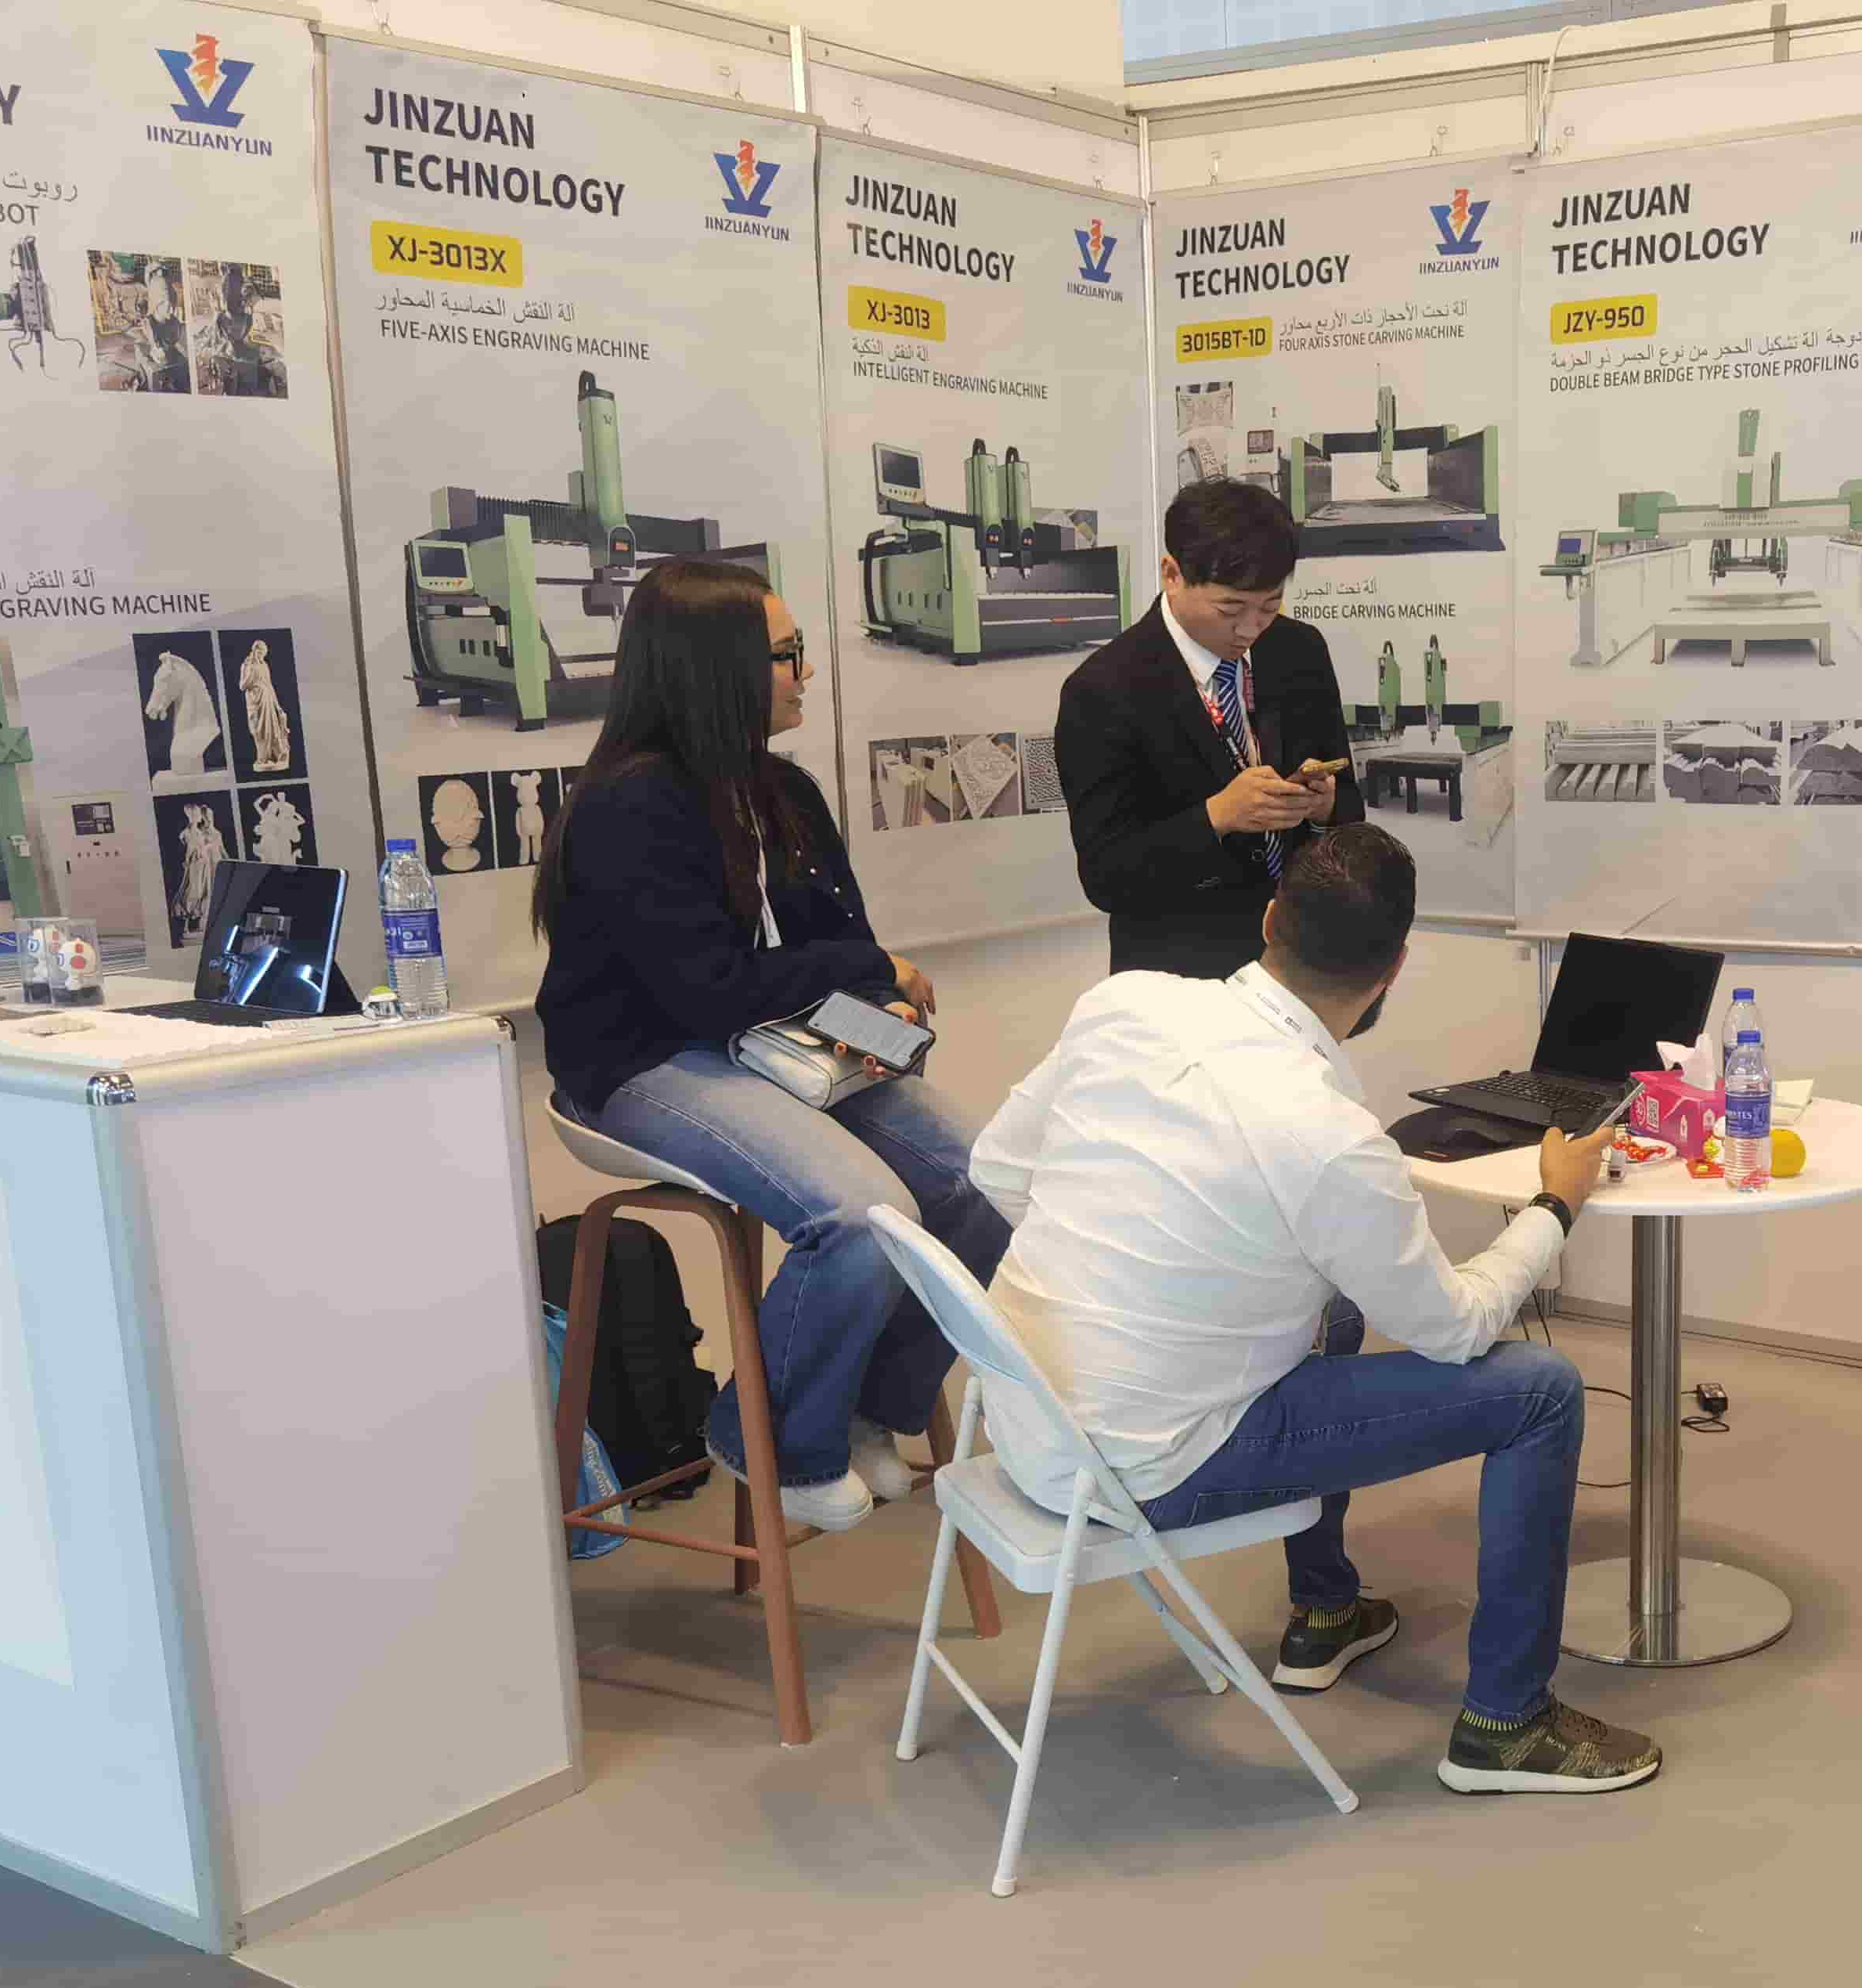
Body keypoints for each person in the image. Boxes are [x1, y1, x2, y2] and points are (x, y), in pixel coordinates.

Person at [969, 824, 1662, 1797]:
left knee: (1331, 1313)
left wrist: (1145, 1272)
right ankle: (1508, 1724)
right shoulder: (1330, 1136)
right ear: (1394, 968)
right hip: (1144, 1471)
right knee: (1538, 1390)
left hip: (1026, 1420)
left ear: (1269, 920)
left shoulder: (1125, 1003)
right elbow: (1456, 1329)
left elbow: (996, 1169)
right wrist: (1556, 1204)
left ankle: (1326, 1610)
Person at [532, 557, 1009, 1535]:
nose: (805, 673)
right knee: (862, 1215)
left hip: (773, 1041)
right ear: (718, 669)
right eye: (788, 655)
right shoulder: (632, 806)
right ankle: (771, 1438)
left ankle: (866, 1404)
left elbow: (827, 953)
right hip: (643, 1058)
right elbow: (706, 992)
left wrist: (882, 1017)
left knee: (989, 1187)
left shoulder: (781, 790)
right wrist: (869, 966)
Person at [1054, 479, 1357, 980]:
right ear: (1172, 574)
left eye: (1270, 606)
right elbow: (1106, 876)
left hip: (1302, 960)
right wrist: (1217, 816)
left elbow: (1349, 805)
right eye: (1230, 609)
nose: (1251, 629)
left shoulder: (1299, 651)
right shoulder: (1103, 689)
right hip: (1180, 977)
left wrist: (1324, 807)